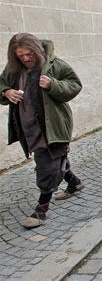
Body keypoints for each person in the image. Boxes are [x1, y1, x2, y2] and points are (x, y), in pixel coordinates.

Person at [0, 33, 84, 229]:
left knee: (46, 164)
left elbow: (75, 85)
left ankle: (42, 208)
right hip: (28, 127)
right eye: (20, 56)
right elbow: (1, 83)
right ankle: (74, 182)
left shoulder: (55, 65)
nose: (26, 58)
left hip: (52, 126)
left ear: (36, 50)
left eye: (29, 54)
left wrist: (53, 84)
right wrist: (6, 92)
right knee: (55, 157)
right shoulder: (13, 70)